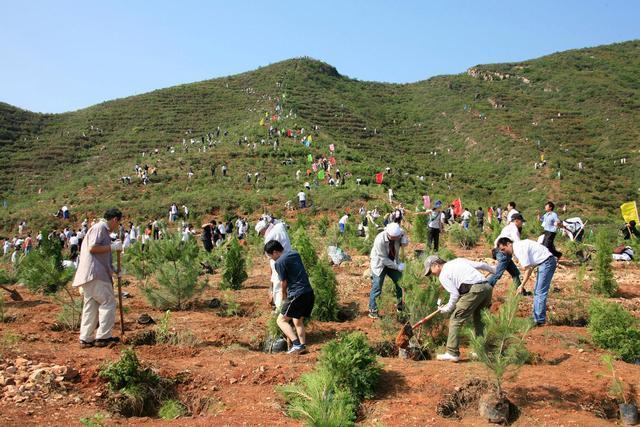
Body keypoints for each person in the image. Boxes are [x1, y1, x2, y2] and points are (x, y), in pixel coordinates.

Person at [423, 255, 495, 362]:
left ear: (436, 265)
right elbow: (481, 265)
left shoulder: (443, 275)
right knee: (479, 319)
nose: (432, 274)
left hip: (474, 290)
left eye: (430, 271)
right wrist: (493, 270)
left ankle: (452, 353)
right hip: (487, 287)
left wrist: (447, 309)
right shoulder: (458, 261)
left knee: (456, 319)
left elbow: (454, 294)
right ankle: (481, 351)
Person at [72, 208, 123, 348]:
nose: (117, 227)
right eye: (118, 223)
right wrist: (112, 247)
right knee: (108, 302)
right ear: (115, 219)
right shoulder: (100, 228)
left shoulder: (103, 231)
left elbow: (101, 257)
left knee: (91, 306)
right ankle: (103, 337)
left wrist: (115, 271)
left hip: (90, 275)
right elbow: (93, 248)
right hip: (96, 274)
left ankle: (86, 338)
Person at [264, 240, 315, 354]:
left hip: (296, 294)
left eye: (270, 255)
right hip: (308, 292)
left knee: (281, 320)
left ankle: (296, 344)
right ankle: (303, 345)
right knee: (297, 320)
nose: (270, 258)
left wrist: (283, 297)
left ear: (275, 252)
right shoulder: (295, 254)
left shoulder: (279, 262)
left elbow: (284, 282)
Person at [497, 237, 557, 326]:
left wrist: (521, 285)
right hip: (545, 262)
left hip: (547, 262)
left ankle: (539, 320)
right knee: (538, 291)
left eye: (503, 249)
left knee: (540, 291)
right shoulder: (519, 246)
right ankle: (537, 318)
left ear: (509, 244)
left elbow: (526, 268)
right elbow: (530, 267)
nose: (503, 252)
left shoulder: (518, 249)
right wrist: (522, 285)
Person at [368, 223, 409, 319]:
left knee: (400, 282)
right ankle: (373, 310)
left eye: (397, 237)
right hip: (380, 264)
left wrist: (404, 239)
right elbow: (384, 259)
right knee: (377, 286)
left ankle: (400, 306)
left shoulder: (400, 233)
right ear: (388, 234)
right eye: (393, 238)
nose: (396, 239)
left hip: (393, 261)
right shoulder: (379, 240)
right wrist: (397, 267)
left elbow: (405, 244)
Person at [255, 218, 291, 308]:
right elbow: (282, 223)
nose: (262, 235)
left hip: (278, 261)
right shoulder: (279, 226)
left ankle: (280, 308)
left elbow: (270, 259)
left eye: (261, 233)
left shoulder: (268, 238)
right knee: (287, 284)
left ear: (263, 229)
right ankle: (288, 306)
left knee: (278, 285)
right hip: (289, 258)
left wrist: (271, 284)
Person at [487, 214, 524, 292]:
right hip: (504, 252)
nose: (522, 223)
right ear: (516, 220)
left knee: (515, 273)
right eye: (521, 221)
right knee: (497, 274)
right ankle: (485, 290)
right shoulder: (514, 228)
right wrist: (520, 256)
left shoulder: (507, 227)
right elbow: (517, 242)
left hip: (501, 251)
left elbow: (497, 241)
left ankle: (520, 291)